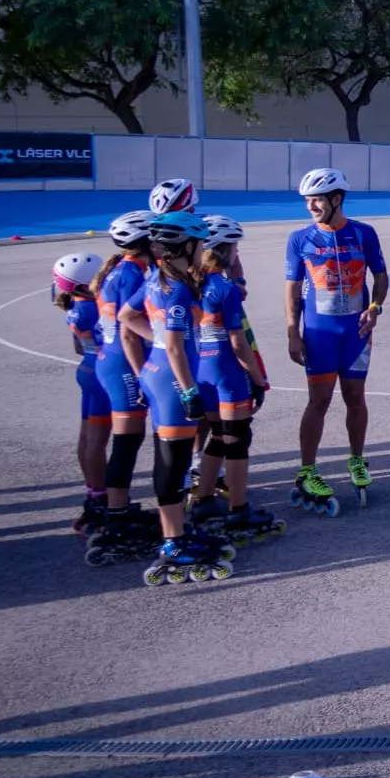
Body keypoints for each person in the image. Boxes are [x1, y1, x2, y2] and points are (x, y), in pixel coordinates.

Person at [121, 210, 237, 583]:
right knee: (172, 463)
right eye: (200, 243)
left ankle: (178, 532)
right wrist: (189, 391)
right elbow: (174, 347)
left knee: (171, 459)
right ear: (185, 246)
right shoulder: (178, 288)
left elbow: (126, 315)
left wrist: (155, 342)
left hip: (157, 374)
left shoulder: (155, 277)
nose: (204, 248)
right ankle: (173, 540)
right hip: (172, 383)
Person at [283, 168, 387, 511]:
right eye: (308, 200)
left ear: (336, 199)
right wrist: (292, 332)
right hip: (320, 333)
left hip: (356, 332)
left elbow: (381, 277)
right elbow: (293, 289)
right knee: (319, 400)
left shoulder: (363, 233)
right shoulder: (300, 238)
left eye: (317, 200)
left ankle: (357, 459)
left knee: (355, 397)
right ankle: (307, 469)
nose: (311, 206)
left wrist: (374, 307)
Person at [186, 215, 278, 543]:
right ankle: (239, 509)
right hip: (226, 371)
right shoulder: (223, 288)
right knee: (238, 440)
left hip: (202, 371)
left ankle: (205, 501)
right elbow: (238, 342)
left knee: (217, 437)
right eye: (235, 247)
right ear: (222, 249)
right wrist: (256, 379)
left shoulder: (189, 284)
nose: (237, 253)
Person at [81, 212, 154, 539]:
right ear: (145, 242)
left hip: (108, 360)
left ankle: (115, 507)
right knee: (127, 440)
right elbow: (129, 330)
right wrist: (143, 375)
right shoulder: (133, 275)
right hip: (124, 364)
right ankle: (116, 515)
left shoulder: (119, 270)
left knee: (127, 439)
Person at [54, 251, 110, 532]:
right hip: (102, 373)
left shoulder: (76, 305)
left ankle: (93, 493)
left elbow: (78, 347)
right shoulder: (96, 307)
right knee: (97, 440)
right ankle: (101, 498)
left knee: (87, 436)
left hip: (87, 369)